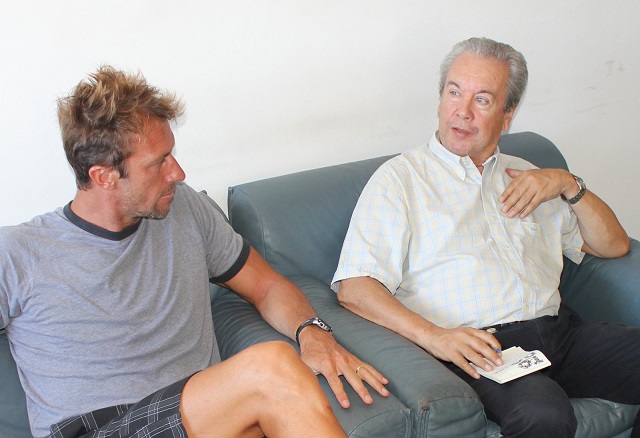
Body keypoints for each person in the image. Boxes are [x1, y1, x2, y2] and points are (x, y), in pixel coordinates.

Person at [0, 65, 390, 438]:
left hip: (205, 417)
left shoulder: (184, 209)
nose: (178, 173)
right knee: (270, 367)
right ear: (104, 176)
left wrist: (312, 331)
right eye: (159, 163)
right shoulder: (19, 253)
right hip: (104, 428)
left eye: (172, 154)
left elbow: (266, 286)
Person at [332, 37, 640, 437]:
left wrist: (567, 183)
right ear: (440, 99)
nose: (462, 112)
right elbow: (354, 288)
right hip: (482, 350)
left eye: (482, 99)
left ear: (507, 115)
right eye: (454, 92)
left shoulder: (529, 175)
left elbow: (613, 246)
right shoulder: (400, 180)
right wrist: (435, 338)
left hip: (561, 334)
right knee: (542, 414)